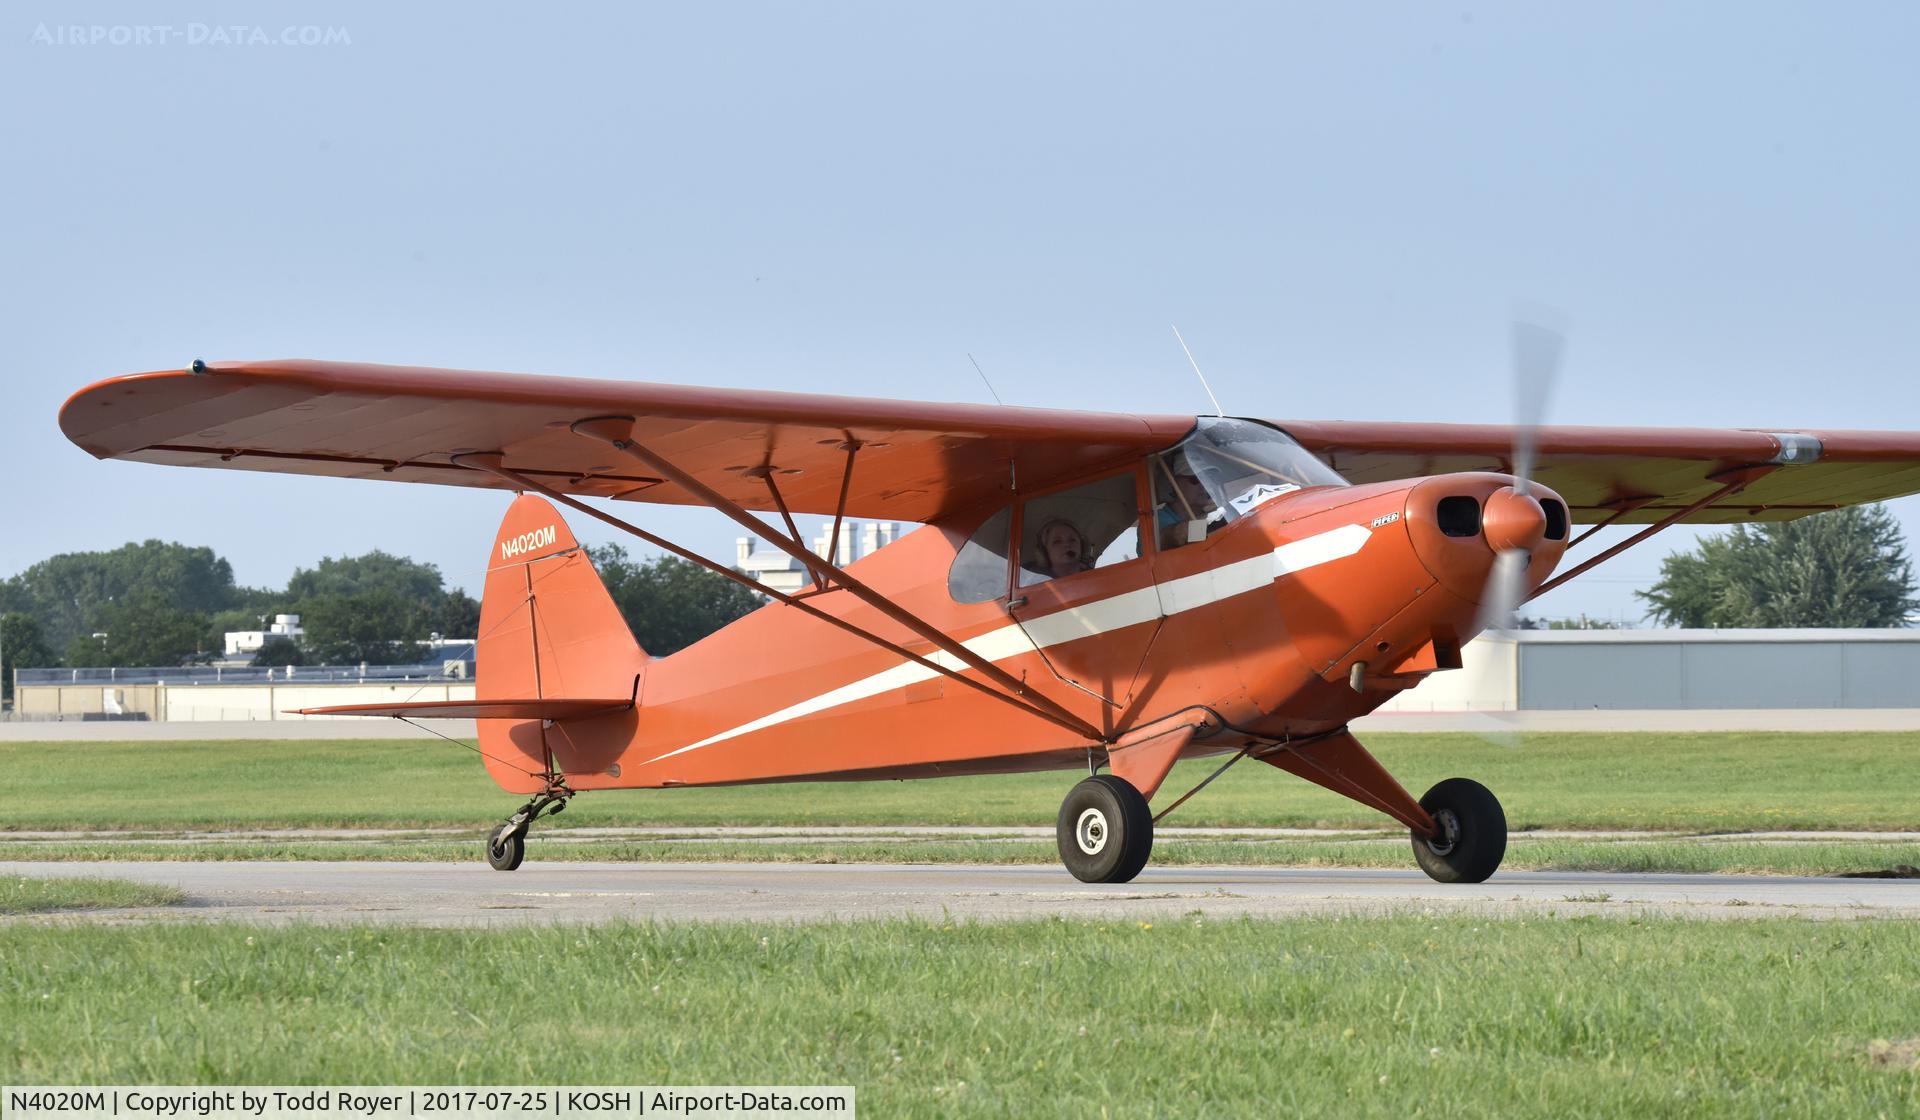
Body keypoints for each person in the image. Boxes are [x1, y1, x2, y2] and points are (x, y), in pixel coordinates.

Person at [1156, 452, 1219, 550]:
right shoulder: (1153, 521)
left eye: (1208, 477)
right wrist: (1212, 517)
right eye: (1196, 479)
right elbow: (1175, 537)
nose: (1205, 484)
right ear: (1172, 483)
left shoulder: (1212, 513)